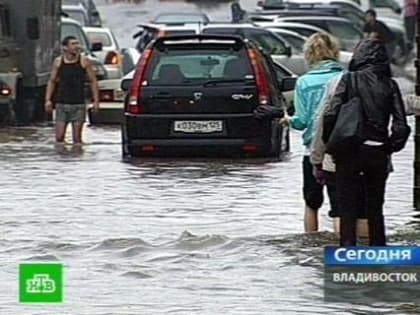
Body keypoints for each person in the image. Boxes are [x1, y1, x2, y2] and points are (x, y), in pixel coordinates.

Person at [322, 39, 411, 246]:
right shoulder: (390, 84)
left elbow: (331, 114)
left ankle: (347, 254)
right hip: (377, 151)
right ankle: (378, 252)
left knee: (347, 208)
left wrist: (331, 144)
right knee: (375, 207)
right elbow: (400, 126)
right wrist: (389, 146)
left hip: (348, 150)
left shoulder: (349, 79)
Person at [280, 33, 344, 233]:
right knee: (340, 207)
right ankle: (342, 251)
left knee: (311, 203)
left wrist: (286, 119)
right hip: (341, 150)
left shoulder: (304, 82)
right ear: (334, 52)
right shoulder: (346, 77)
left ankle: (310, 247)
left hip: (313, 152)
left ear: (309, 54)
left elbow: (302, 122)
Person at [44, 36, 99, 145]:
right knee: (59, 138)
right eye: (73, 44)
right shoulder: (58, 62)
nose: (77, 46)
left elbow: (93, 81)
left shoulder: (84, 61)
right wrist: (48, 100)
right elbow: (52, 81)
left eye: (77, 44)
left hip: (78, 104)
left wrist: (96, 101)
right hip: (61, 103)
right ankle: (62, 159)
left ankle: (77, 159)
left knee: (77, 140)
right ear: (65, 47)